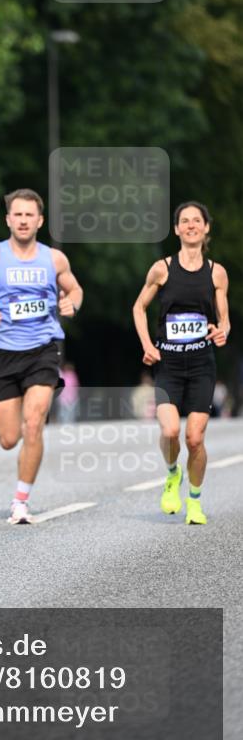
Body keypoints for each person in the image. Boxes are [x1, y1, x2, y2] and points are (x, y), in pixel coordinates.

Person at [0, 189, 83, 523]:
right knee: (8, 439)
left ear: (39, 220)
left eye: (29, 215)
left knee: (34, 425)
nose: (22, 220)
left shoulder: (54, 259)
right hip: (3, 353)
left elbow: (74, 288)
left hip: (42, 350)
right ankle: (19, 435)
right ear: (8, 220)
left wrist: (70, 303)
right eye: (17, 214)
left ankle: (20, 501)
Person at [132, 201, 230, 525]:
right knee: (171, 430)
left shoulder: (216, 272)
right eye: (184, 221)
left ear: (206, 228)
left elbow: (224, 319)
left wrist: (222, 330)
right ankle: (173, 474)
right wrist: (147, 344)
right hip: (169, 365)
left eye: (196, 221)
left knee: (195, 438)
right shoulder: (162, 268)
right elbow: (138, 307)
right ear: (176, 229)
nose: (190, 225)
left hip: (202, 364)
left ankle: (196, 501)